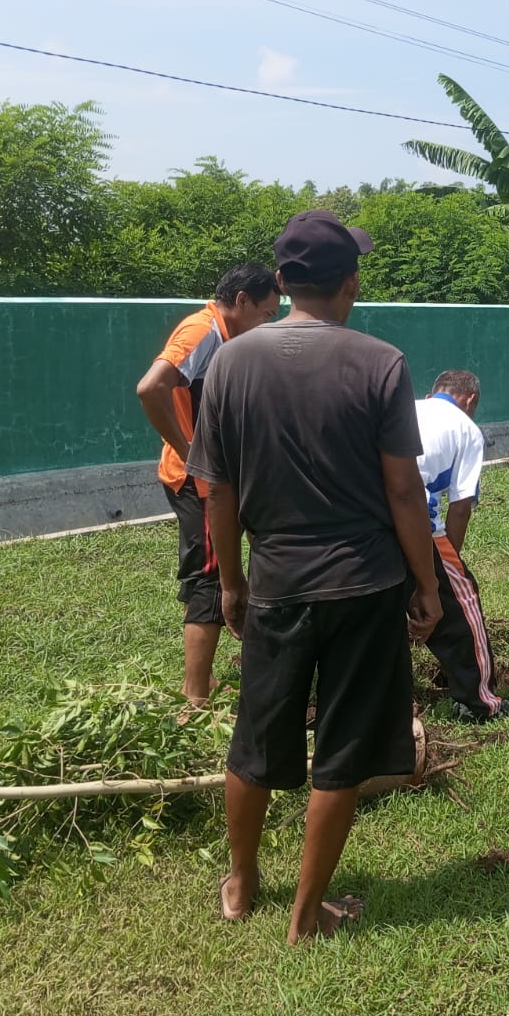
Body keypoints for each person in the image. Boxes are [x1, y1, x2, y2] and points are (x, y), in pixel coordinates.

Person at [186, 209, 443, 944]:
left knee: (257, 738)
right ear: (351, 284)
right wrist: (424, 584)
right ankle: (306, 917)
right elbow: (402, 492)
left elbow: (219, 490)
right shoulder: (381, 362)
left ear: (283, 281)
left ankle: (241, 882)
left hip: (273, 582)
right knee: (343, 746)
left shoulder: (230, 362)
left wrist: (231, 583)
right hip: (363, 584)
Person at [135, 263, 281, 705]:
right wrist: (189, 453)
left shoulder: (224, 335)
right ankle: (195, 696)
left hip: (205, 479)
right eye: (267, 312)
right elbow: (150, 389)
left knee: (206, 571)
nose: (269, 322)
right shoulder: (203, 332)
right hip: (198, 484)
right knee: (212, 579)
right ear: (241, 301)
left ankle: (201, 680)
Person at [415, 369, 509, 723]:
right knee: (462, 604)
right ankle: (479, 702)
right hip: (418, 527)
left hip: (363, 526)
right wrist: (448, 563)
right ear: (469, 400)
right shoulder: (466, 429)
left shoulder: (406, 409)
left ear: (433, 393)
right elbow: (459, 508)